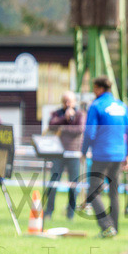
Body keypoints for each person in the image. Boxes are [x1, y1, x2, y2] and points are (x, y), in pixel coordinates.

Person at [80, 76, 128, 238]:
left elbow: (90, 132)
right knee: (114, 192)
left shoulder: (96, 105)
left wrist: (83, 151)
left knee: (93, 191)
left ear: (99, 88)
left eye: (94, 88)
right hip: (118, 155)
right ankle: (115, 229)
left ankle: (107, 226)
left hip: (101, 154)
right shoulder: (121, 106)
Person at [42, 91, 86, 220]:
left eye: (70, 101)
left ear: (74, 102)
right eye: (65, 101)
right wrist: (64, 119)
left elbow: (79, 129)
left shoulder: (80, 114)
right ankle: (49, 211)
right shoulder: (57, 113)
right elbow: (51, 125)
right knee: (53, 182)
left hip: (73, 153)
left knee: (73, 184)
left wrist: (62, 128)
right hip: (58, 153)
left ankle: (70, 214)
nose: (67, 104)